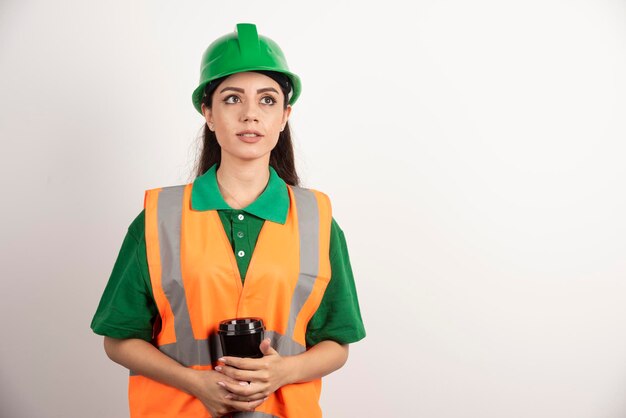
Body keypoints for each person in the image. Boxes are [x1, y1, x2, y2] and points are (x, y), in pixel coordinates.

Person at [91, 23, 365, 418]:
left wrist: (284, 371)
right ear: (209, 113)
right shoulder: (159, 218)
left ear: (285, 116)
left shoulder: (317, 220)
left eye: (268, 101)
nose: (251, 114)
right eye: (232, 98)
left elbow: (337, 343)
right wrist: (196, 383)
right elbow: (118, 340)